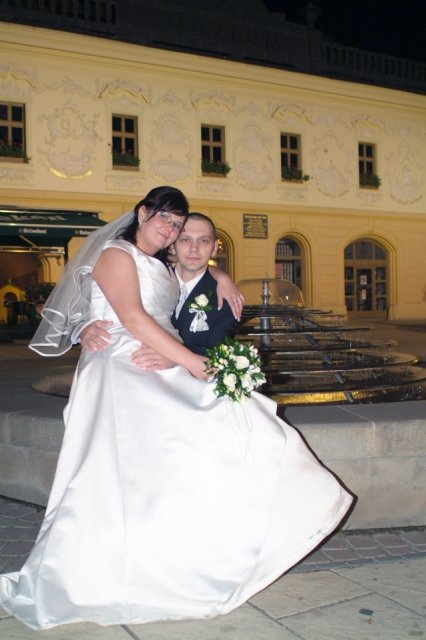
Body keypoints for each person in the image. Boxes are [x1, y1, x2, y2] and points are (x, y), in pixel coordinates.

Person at [0, 186, 353, 630]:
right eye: (165, 219)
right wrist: (191, 362)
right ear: (142, 212)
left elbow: (190, 268)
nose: (170, 230)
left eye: (177, 224)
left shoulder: (162, 262)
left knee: (232, 425)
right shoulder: (116, 253)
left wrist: (220, 274)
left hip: (159, 356)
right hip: (124, 361)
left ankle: (196, 551)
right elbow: (132, 317)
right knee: (139, 462)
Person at [81, 212, 238, 363]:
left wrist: (174, 359)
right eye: (185, 240)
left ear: (214, 248)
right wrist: (84, 328)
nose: (194, 248)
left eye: (203, 241)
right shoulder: (145, 275)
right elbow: (89, 301)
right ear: (172, 247)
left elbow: (219, 354)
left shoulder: (226, 298)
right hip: (122, 360)